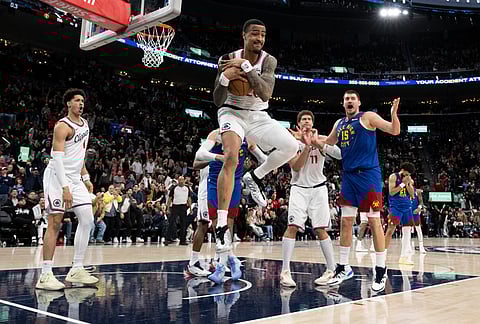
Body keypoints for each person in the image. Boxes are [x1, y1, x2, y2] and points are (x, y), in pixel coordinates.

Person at [212, 18, 298, 252]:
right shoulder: (226, 58)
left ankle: (255, 176)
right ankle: (221, 225)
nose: (259, 39)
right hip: (232, 112)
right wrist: (225, 78)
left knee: (291, 146)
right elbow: (217, 100)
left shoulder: (268, 60)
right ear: (244, 35)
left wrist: (246, 68)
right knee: (231, 156)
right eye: (255, 34)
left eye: (263, 35)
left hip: (258, 115)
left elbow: (265, 93)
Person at [320, 90, 400, 293]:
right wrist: (309, 137)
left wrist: (393, 114)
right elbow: (329, 141)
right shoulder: (339, 124)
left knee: (374, 221)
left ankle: (381, 269)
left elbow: (394, 130)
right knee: (346, 221)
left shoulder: (367, 117)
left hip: (368, 176)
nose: (349, 101)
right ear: (343, 102)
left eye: (352, 98)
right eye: (346, 98)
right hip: (349, 176)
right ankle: (343, 267)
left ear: (358, 102)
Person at [36, 88, 98, 290]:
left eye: (83, 100)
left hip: (74, 177)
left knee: (88, 219)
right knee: (55, 222)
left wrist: (86, 178)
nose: (81, 103)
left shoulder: (85, 125)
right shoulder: (62, 126)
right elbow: (58, 159)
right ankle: (45, 275)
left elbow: (79, 156)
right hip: (57, 176)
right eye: (77, 100)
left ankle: (77, 268)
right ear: (68, 104)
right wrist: (65, 188)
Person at [187, 129, 266, 283]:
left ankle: (222, 260)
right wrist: (218, 158)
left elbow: (262, 157)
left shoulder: (246, 139)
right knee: (206, 223)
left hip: (232, 183)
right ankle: (196, 262)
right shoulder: (215, 136)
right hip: (209, 184)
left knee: (228, 223)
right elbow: (197, 161)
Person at [280, 110, 342, 288]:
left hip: (318, 189)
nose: (306, 121)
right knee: (292, 227)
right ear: (298, 124)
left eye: (309, 119)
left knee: (321, 229)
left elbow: (339, 155)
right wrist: (307, 147)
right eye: (303, 119)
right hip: (298, 188)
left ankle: (331, 270)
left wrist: (317, 144)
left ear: (313, 123)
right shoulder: (291, 142)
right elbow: (297, 167)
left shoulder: (321, 138)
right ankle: (285, 271)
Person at [384, 162, 416, 265]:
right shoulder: (394, 176)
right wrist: (402, 183)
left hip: (407, 207)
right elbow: (391, 192)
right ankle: (382, 254)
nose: (408, 175)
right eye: (407, 173)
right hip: (396, 207)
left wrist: (407, 184)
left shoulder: (409, 179)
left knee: (407, 232)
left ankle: (404, 257)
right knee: (390, 231)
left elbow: (412, 195)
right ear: (402, 170)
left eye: (409, 174)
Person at [166, 176, 192, 245]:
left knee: (183, 224)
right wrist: (167, 208)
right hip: (175, 206)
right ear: (178, 180)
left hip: (183, 206)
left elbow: (189, 199)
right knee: (171, 222)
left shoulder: (187, 188)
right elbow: (170, 198)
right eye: (179, 180)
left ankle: (182, 240)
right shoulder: (174, 188)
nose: (181, 181)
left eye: (182, 180)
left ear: (184, 180)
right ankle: (167, 239)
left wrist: (190, 208)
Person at [411, 181, 427, 254]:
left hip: (415, 211)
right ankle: (408, 247)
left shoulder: (417, 191)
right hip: (408, 211)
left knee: (418, 228)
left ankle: (421, 246)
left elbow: (421, 202)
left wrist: (419, 208)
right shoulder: (404, 192)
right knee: (407, 230)